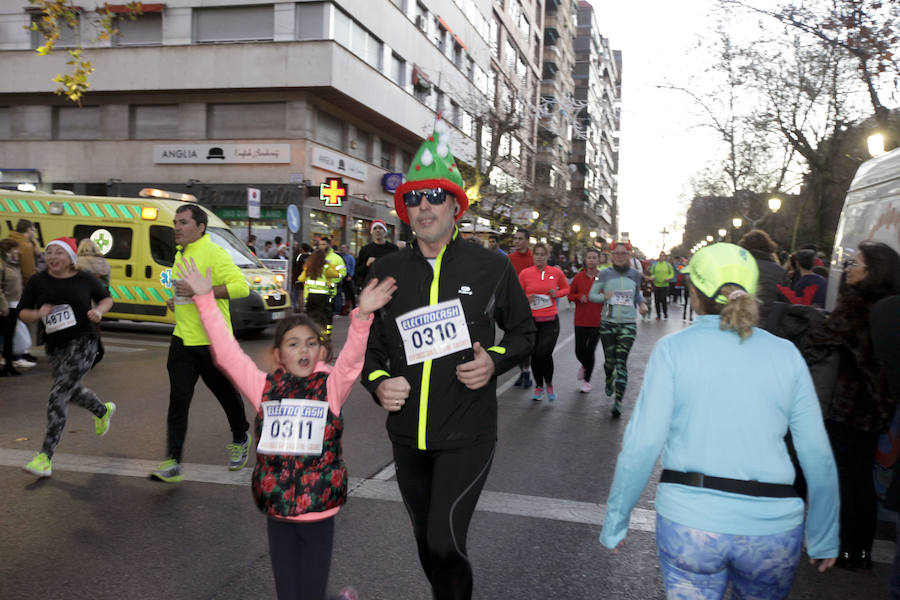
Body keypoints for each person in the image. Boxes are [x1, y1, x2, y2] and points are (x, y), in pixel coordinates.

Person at [600, 242, 839, 598]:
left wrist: (617, 519)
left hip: (691, 523)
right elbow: (816, 452)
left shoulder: (674, 351)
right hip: (772, 528)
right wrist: (823, 534)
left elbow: (643, 443)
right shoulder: (786, 354)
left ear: (693, 294)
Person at [361, 116, 535, 600]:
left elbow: (524, 333)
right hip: (407, 437)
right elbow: (371, 348)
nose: (423, 207)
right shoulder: (389, 268)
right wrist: (378, 383)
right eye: (412, 198)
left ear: (456, 206)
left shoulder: (491, 266)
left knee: (445, 539)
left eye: (434, 196)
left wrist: (493, 361)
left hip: (467, 432)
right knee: (425, 542)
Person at [178, 254, 395, 600]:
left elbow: (353, 359)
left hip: (320, 508)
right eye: (294, 344)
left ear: (321, 350)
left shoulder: (331, 387)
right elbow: (227, 353)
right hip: (277, 508)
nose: (304, 350)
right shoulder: (262, 388)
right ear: (279, 355)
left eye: (311, 343)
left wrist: (363, 316)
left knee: (307, 592)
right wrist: (205, 300)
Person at [804, 241, 900, 569]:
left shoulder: (856, 305)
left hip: (845, 405)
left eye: (855, 264)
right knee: (862, 479)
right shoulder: (890, 306)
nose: (848, 269)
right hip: (876, 407)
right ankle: (859, 551)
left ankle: (841, 547)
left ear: (873, 271)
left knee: (841, 476)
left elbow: (820, 341)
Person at [151, 204, 252, 483]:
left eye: (183, 223)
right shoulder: (180, 254)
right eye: (175, 223)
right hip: (183, 340)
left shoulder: (214, 253)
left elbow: (241, 287)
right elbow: (188, 294)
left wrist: (204, 290)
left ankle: (241, 435)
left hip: (212, 342)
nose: (177, 228)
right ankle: (173, 461)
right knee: (178, 401)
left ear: (200, 227)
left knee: (226, 395)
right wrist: (177, 299)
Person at [18, 237, 116, 478]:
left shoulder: (84, 278)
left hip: (84, 342)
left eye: (58, 253)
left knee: (58, 394)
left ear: (71, 258)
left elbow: (106, 298)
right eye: (49, 252)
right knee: (70, 390)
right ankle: (102, 411)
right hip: (55, 346)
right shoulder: (37, 281)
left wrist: (98, 311)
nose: (52, 257)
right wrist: (37, 313)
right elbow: (22, 313)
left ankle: (45, 457)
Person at [589, 241, 648, 417]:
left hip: (628, 324)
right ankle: (609, 379)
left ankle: (618, 402)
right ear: (611, 255)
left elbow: (637, 294)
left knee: (621, 362)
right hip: (608, 323)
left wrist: (642, 304)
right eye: (617, 253)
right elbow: (592, 295)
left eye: (624, 253)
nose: (620, 256)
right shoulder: (604, 274)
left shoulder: (635, 275)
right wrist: (603, 297)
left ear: (628, 256)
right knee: (610, 362)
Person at [518, 243, 569, 402]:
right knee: (534, 355)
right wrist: (527, 298)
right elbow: (518, 294)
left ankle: (549, 384)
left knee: (544, 354)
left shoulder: (556, 272)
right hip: (532, 321)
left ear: (547, 256)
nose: (539, 257)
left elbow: (566, 289)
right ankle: (539, 386)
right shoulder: (525, 274)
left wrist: (557, 293)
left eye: (542, 254)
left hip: (550, 321)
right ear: (533, 256)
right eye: (537, 254)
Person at [567, 247, 604, 393]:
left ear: (599, 260)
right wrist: (578, 297)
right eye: (589, 257)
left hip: (597, 321)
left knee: (590, 350)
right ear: (585, 259)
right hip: (581, 320)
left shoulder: (603, 277)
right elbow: (570, 295)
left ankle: (587, 381)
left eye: (594, 257)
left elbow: (609, 296)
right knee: (579, 351)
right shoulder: (578, 277)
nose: (592, 260)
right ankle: (584, 365)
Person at [738, 229, 788, 329]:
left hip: (743, 320)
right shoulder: (780, 271)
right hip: (771, 322)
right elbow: (786, 298)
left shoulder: (739, 267)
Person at [508, 228, 535, 388]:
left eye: (520, 239)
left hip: (532, 307)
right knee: (516, 341)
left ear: (527, 241)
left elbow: (544, 277)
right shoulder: (509, 258)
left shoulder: (535, 258)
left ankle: (526, 371)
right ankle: (523, 371)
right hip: (513, 306)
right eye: (515, 239)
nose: (517, 241)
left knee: (527, 341)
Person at [299, 249, 341, 335]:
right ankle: (324, 335)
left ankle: (312, 333)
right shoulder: (326, 268)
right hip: (323, 296)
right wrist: (331, 265)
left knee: (311, 316)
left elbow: (301, 279)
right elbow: (337, 274)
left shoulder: (308, 267)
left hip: (311, 296)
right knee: (324, 316)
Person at [0, 238, 25, 376]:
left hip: (14, 305)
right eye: (14, 249)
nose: (17, 251)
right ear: (6, 250)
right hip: (4, 307)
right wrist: (3, 305)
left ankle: (9, 365)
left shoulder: (14, 264)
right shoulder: (2, 265)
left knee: (10, 337)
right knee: (2, 337)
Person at [355, 219, 399, 288]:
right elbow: (357, 271)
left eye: (380, 228)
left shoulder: (393, 249)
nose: (377, 230)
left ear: (385, 231)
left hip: (388, 288)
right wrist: (366, 265)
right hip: (370, 288)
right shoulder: (365, 249)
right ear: (372, 232)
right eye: (375, 228)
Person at [649, 251, 674, 319]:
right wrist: (653, 277)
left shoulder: (668, 265)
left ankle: (665, 313)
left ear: (665, 257)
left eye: (663, 256)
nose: (661, 257)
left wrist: (669, 278)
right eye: (660, 255)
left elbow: (671, 273)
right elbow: (651, 273)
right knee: (656, 301)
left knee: (663, 300)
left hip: (665, 285)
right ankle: (658, 315)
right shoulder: (654, 265)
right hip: (656, 285)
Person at [337, 243, 356, 316]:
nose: (342, 249)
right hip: (342, 276)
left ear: (347, 249)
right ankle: (344, 308)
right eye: (342, 248)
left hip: (348, 275)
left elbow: (353, 267)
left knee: (350, 292)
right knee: (343, 292)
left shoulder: (350, 257)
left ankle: (352, 306)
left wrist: (351, 275)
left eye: (344, 248)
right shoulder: (341, 257)